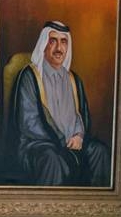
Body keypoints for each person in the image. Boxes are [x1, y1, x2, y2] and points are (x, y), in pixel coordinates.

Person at [10, 21, 111, 186]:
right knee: (52, 160)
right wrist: (60, 139)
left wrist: (78, 135)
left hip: (72, 143)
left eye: (63, 41)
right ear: (44, 45)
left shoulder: (73, 79)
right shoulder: (30, 76)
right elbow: (29, 123)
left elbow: (81, 116)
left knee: (100, 152)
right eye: (53, 41)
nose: (59, 47)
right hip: (39, 144)